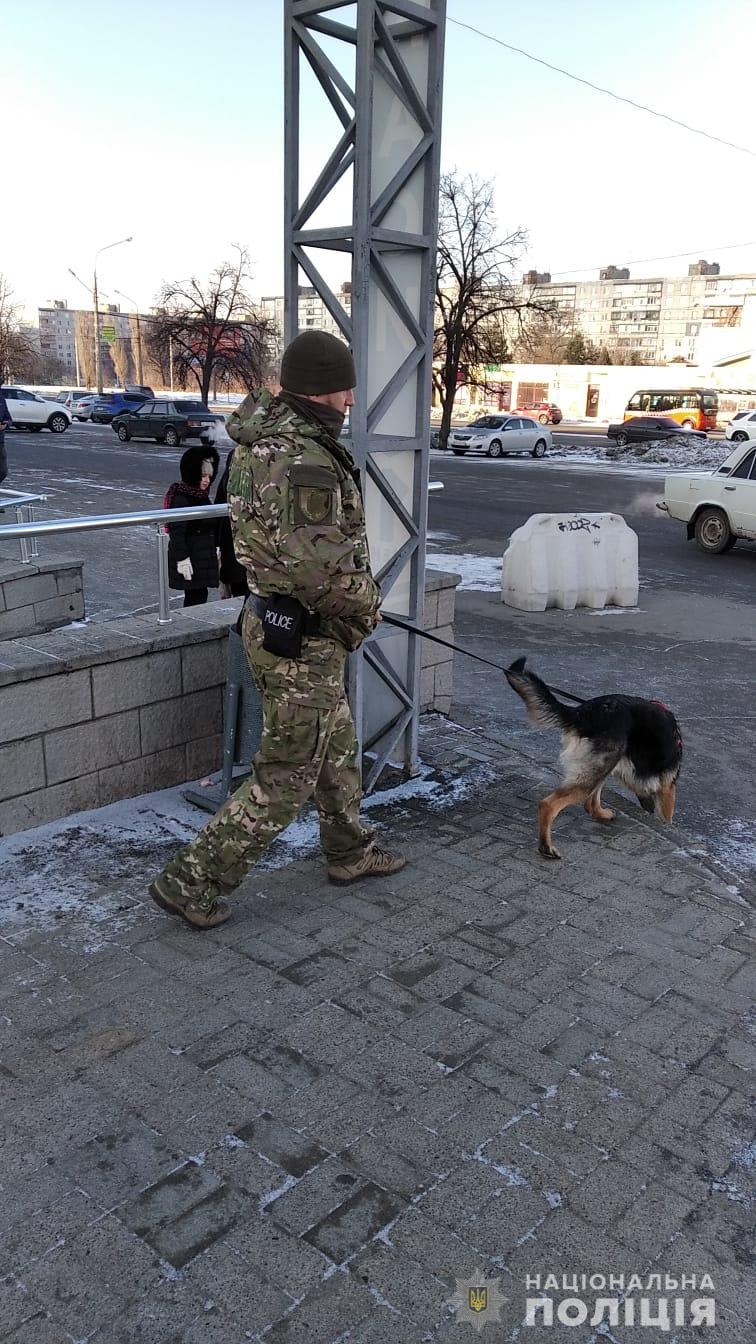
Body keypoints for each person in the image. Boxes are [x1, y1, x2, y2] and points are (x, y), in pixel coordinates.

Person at [149, 329, 407, 929]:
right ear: (325, 390)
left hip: (274, 625)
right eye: (346, 388)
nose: (350, 399)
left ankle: (348, 851)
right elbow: (318, 566)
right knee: (285, 775)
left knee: (336, 744)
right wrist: (366, 607)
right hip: (305, 638)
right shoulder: (305, 459)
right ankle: (192, 881)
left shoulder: (263, 445)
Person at [165, 447, 220, 607]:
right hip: (191, 558)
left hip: (201, 558)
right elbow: (177, 533)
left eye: (209, 476)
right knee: (195, 597)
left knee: (199, 596)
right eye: (203, 475)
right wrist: (182, 559)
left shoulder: (200, 495)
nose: (206, 480)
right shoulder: (182, 498)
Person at [214, 447, 249, 599]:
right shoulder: (237, 454)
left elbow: (221, 498)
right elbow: (221, 498)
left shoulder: (237, 453)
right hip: (238, 545)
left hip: (241, 544)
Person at [0, 387, 10, 485]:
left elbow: (8, 417)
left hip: (0, 442)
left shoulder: (1, 398)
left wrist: (6, 424)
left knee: (3, 471)